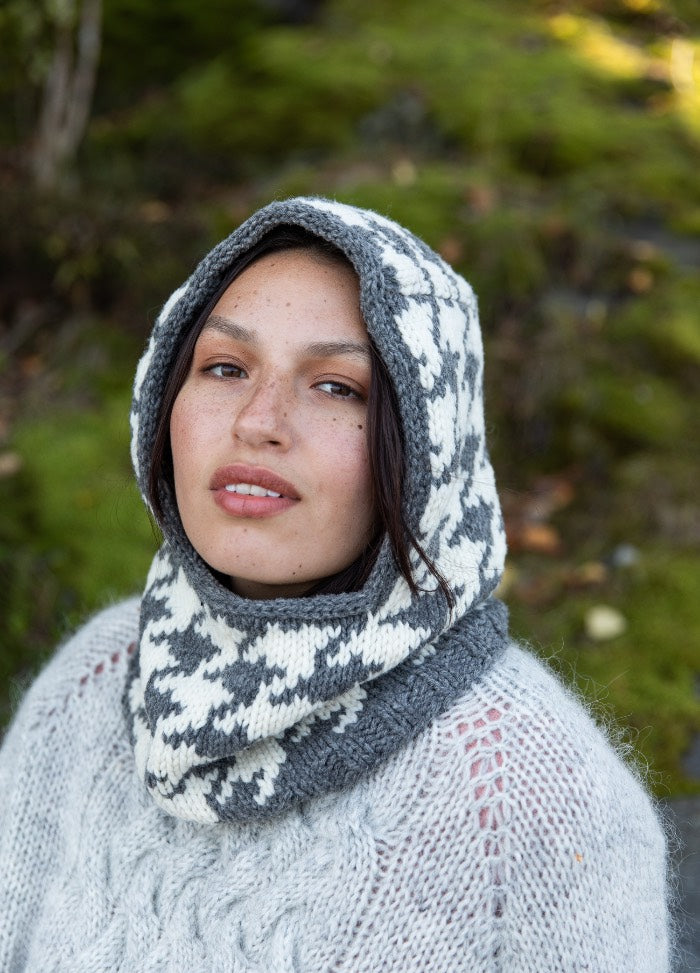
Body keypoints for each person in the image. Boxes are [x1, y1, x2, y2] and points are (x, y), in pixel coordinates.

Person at [0, 197, 671, 971]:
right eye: (225, 367)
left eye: (337, 387)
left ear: (428, 445)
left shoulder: (530, 790)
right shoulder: (93, 680)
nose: (259, 420)